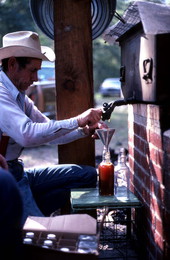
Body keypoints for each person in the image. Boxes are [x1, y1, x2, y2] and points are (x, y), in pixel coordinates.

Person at [0, 31, 106, 223]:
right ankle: (26, 218)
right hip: (5, 177)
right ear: (13, 64)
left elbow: (49, 131)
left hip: (18, 171)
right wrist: (77, 120)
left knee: (86, 175)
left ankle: (25, 212)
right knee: (36, 237)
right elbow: (27, 135)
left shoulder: (20, 97)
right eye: (33, 70)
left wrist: (83, 131)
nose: (36, 78)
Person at [0, 154, 23, 259]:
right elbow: (27, 139)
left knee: (79, 175)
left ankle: (78, 212)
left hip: (20, 170)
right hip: (11, 177)